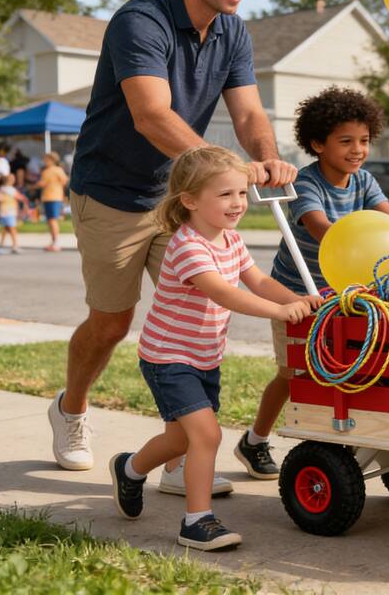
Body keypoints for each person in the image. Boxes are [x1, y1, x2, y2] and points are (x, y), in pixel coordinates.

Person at [48, 0, 297, 488]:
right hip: (114, 191)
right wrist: (231, 170)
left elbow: (250, 112)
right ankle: (72, 410)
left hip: (181, 195)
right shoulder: (142, 21)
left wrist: (267, 153)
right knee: (111, 323)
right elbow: (151, 116)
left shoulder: (233, 30)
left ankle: (179, 457)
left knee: (200, 313)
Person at [109, 146, 322, 550]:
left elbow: (257, 282)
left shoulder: (231, 240)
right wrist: (281, 311)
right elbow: (226, 295)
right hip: (169, 357)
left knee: (179, 441)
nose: (238, 203)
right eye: (225, 195)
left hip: (203, 356)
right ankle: (197, 521)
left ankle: (130, 469)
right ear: (189, 201)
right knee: (206, 436)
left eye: (241, 193)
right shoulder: (188, 246)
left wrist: (298, 298)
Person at [234, 87, 389, 479]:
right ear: (317, 143)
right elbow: (322, 229)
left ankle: (358, 433)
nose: (357, 149)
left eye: (363, 140)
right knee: (292, 372)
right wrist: (361, 238)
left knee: (354, 365)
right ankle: (255, 440)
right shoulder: (306, 184)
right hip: (296, 293)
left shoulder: (363, 181)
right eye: (345, 141)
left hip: (346, 295)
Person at [36, 152, 69, 251]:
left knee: (52, 220)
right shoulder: (51, 170)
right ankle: (53, 241)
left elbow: (64, 180)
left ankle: (56, 243)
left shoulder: (54, 170)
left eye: (46, 159)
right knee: (50, 220)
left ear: (52, 160)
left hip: (53, 197)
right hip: (49, 197)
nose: (44, 161)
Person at [0, 173, 29, 253]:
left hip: (3, 211)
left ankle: (1, 246)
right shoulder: (9, 189)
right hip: (9, 212)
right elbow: (20, 197)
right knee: (12, 229)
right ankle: (15, 246)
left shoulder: (1, 189)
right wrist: (25, 201)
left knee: (5, 229)